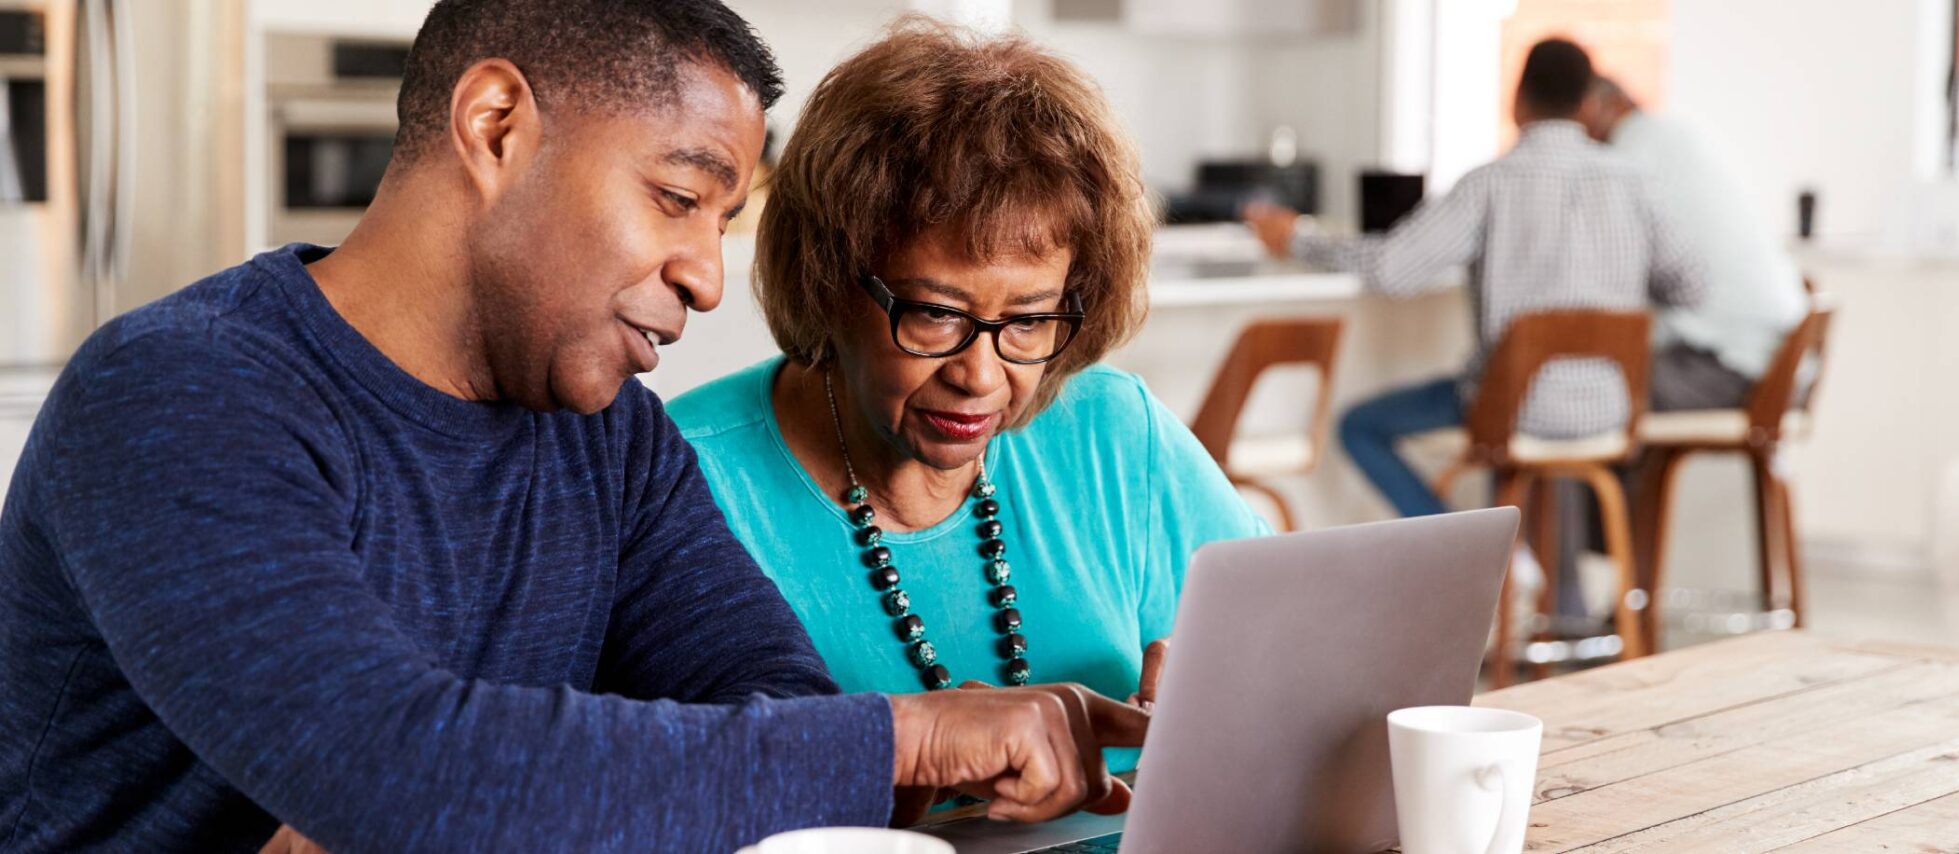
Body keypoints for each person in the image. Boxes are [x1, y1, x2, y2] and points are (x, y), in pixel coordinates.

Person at [0, 2, 1146, 851]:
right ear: (497, 125)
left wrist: (517, 788)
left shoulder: (611, 441)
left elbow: (781, 716)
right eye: (678, 196)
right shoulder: (179, 392)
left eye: (725, 217)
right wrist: (905, 733)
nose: (706, 274)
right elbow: (392, 764)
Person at [665, 21, 1267, 775]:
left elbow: (1305, 642)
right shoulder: (677, 480)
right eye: (937, 313)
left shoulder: (1116, 433)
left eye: (1029, 319)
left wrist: (1243, 691)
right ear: (828, 279)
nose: (981, 376)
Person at [1242, 38, 1705, 519]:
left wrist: (1296, 237)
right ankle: (1537, 577)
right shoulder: (1637, 184)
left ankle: (1476, 548)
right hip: (1610, 411)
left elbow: (1393, 270)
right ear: (1589, 105)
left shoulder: (1491, 184)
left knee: (1359, 426)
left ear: (1517, 100)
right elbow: (1693, 286)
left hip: (1513, 408)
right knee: (1545, 447)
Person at [1578, 76, 1808, 411]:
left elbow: (1610, 274)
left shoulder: (1631, 154)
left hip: (1736, 368)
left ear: (1596, 108)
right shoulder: (1671, 137)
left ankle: (1600, 466)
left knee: (1580, 398)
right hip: (1775, 360)